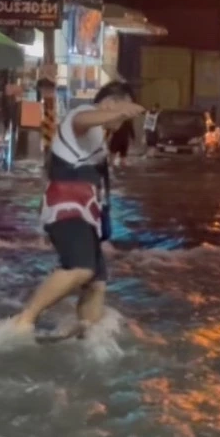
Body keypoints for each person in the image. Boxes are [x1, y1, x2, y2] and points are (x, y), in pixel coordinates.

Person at [10, 82, 145, 338]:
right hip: (66, 210)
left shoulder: (99, 138)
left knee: (97, 283)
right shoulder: (80, 115)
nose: (124, 120)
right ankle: (24, 320)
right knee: (80, 268)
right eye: (122, 108)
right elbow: (86, 118)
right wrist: (121, 111)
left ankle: (87, 335)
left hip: (85, 214)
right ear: (109, 103)